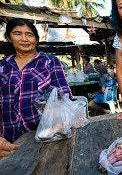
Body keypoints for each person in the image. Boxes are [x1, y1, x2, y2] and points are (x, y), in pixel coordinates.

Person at [0, 18, 71, 157]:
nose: (24, 39)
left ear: (36, 40)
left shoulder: (49, 61)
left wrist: (61, 123)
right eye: (17, 33)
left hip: (45, 134)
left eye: (30, 34)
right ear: (9, 37)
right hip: (9, 138)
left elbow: (64, 95)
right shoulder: (2, 66)